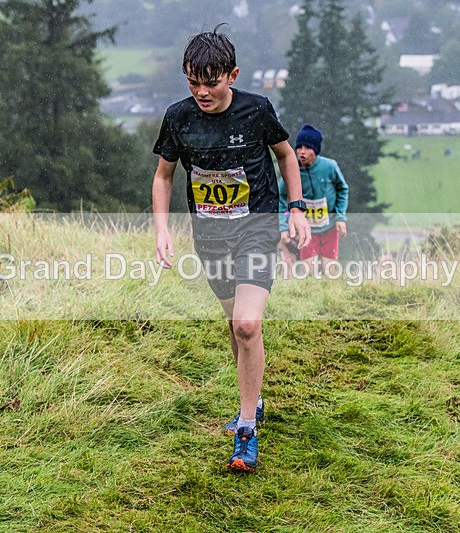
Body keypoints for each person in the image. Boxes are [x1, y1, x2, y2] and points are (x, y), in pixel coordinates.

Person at [151, 25, 311, 473]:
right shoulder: (178, 117)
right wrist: (162, 230)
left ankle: (245, 430)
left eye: (211, 81)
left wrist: (295, 208)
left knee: (245, 324)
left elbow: (284, 155)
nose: (201, 91)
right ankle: (253, 398)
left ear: (232, 74)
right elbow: (164, 176)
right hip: (210, 236)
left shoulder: (256, 111)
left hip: (257, 229)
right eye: (192, 81)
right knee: (233, 324)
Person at [279, 124, 348, 277]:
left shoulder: (329, 167)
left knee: (330, 271)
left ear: (316, 150)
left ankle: (330, 298)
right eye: (299, 147)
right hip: (306, 229)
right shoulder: (292, 170)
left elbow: (343, 189)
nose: (302, 152)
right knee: (308, 273)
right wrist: (283, 227)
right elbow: (280, 196)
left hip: (329, 225)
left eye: (307, 148)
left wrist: (340, 217)